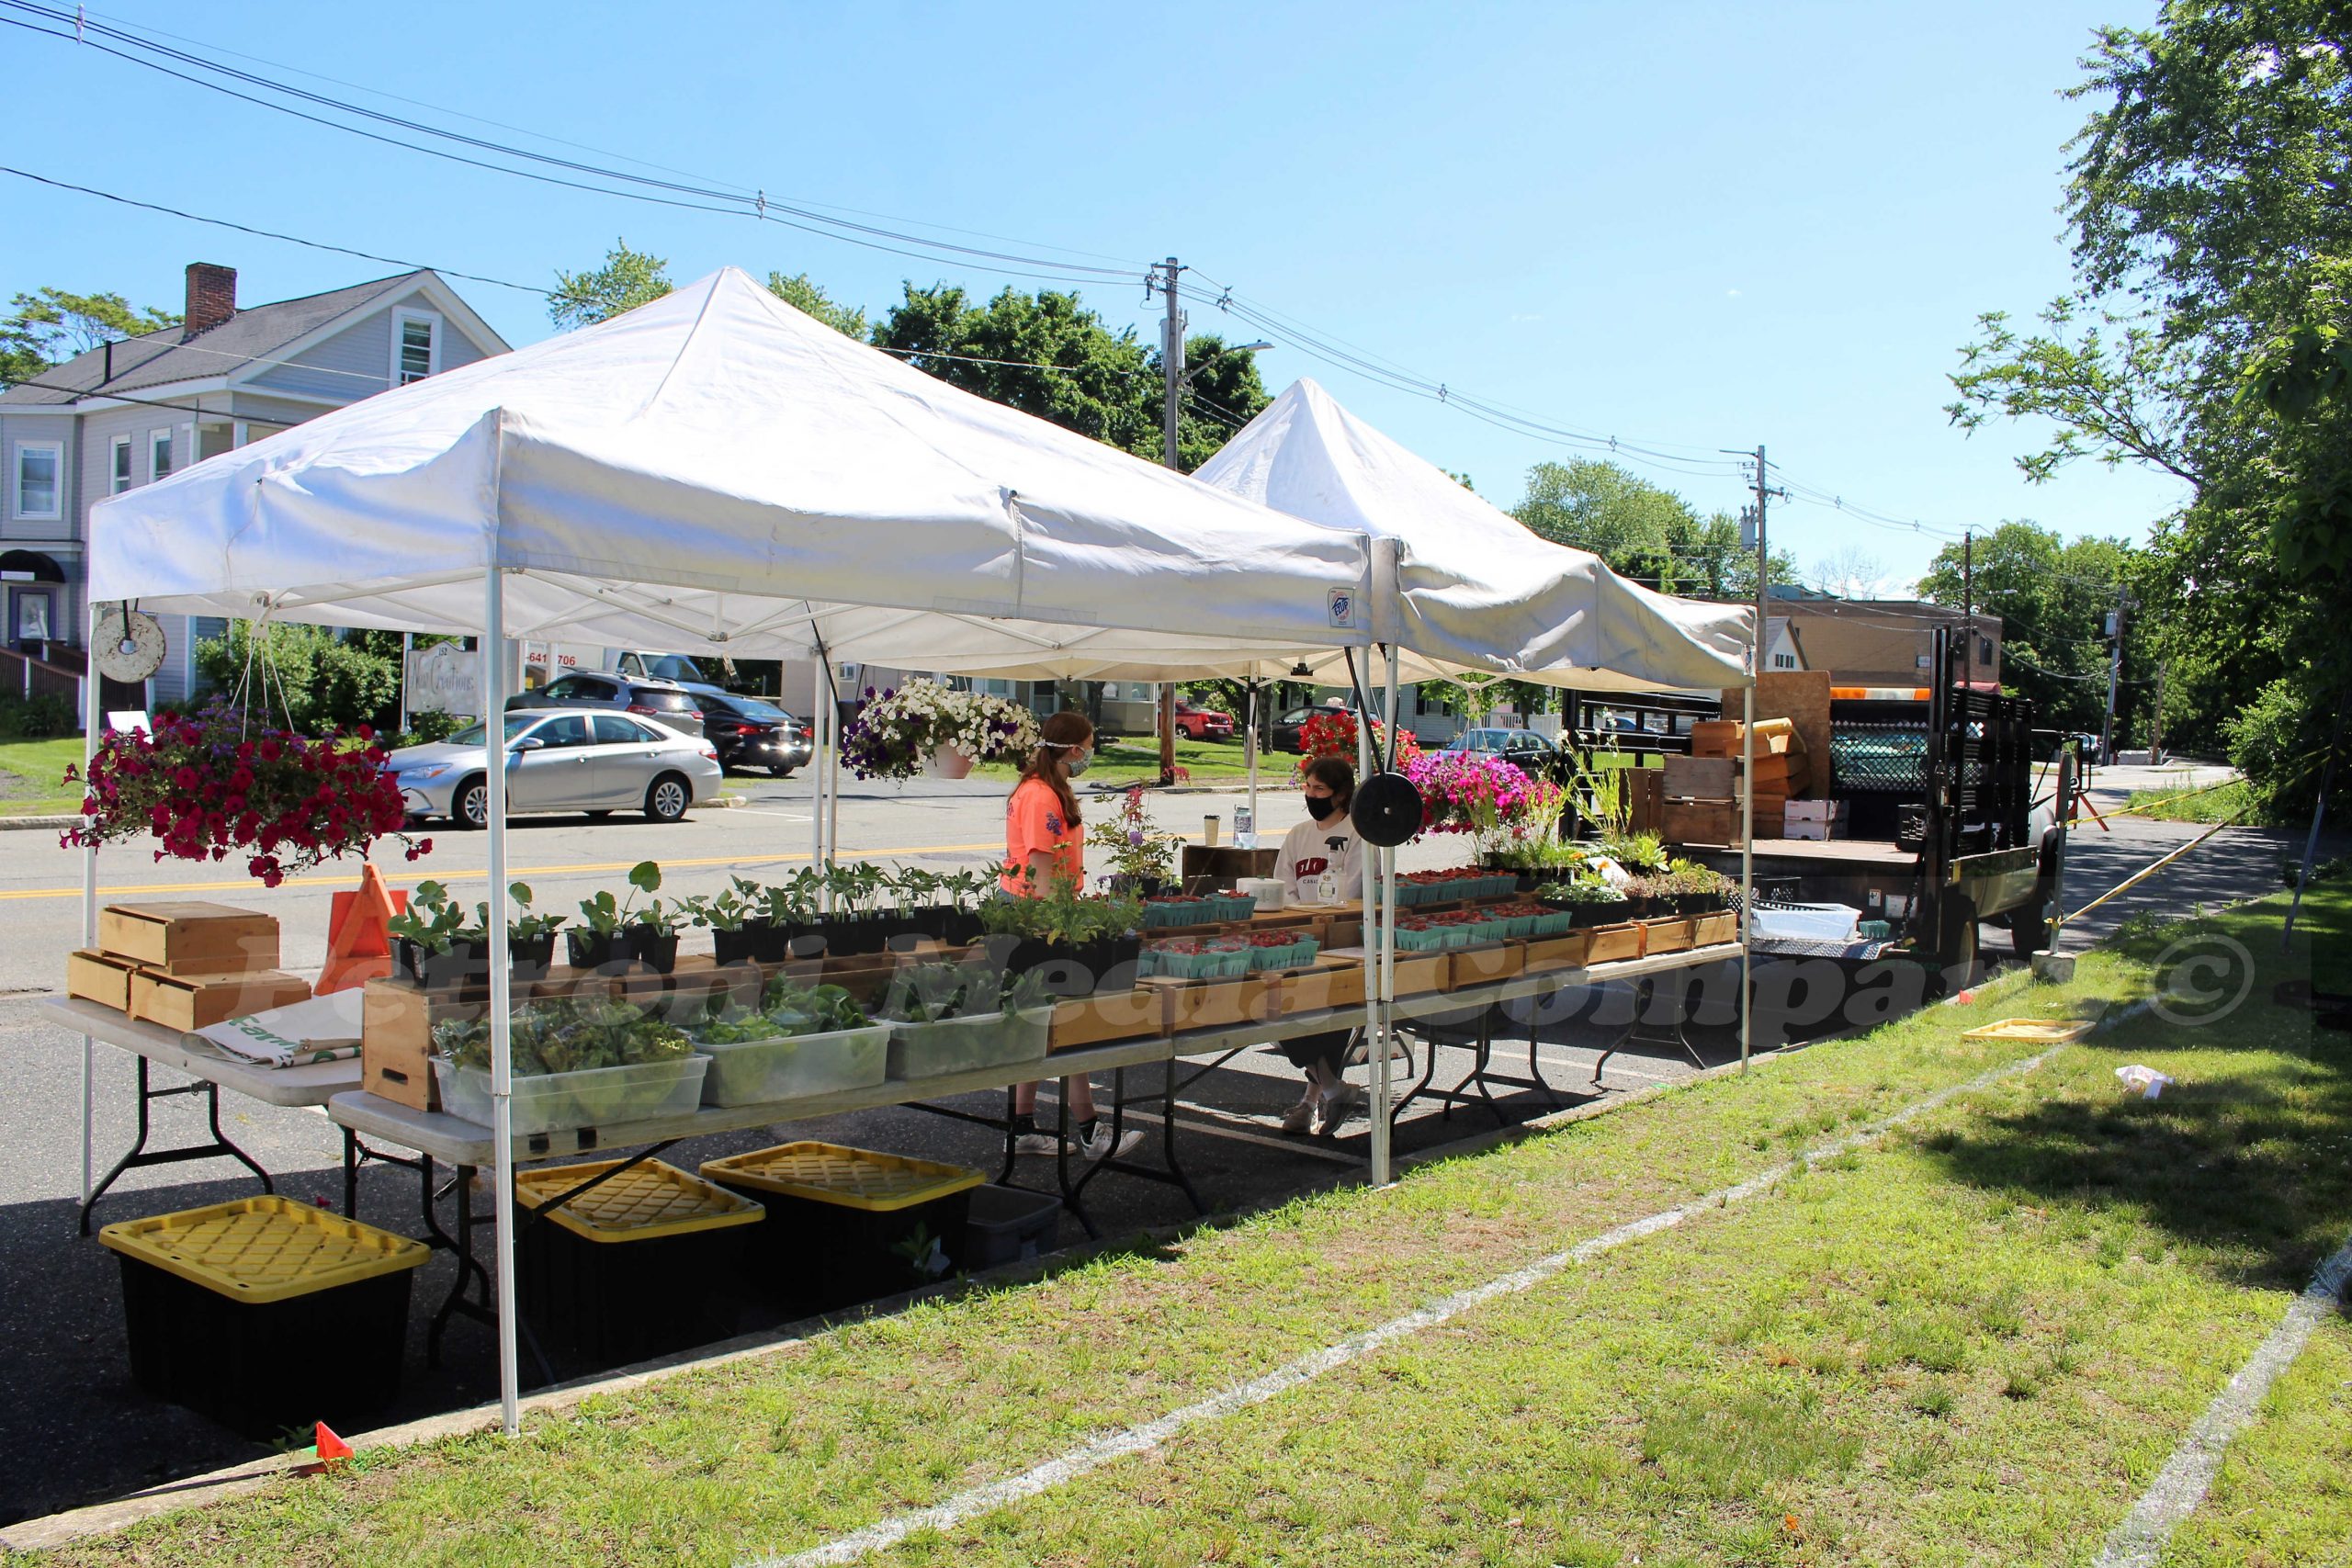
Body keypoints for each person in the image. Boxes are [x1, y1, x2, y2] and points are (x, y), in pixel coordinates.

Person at [1002, 711, 1143, 1160]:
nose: (1091, 751)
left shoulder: (1040, 787)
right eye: (1089, 743)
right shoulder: (1042, 795)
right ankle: (1090, 1131)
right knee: (1069, 1023)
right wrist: (1061, 923)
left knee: (1040, 1023)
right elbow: (1042, 870)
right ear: (1073, 749)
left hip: (1034, 909)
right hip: (1040, 914)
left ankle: (1023, 1126)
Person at [1272, 756, 1369, 1135]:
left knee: (1328, 1019)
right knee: (1278, 1007)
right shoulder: (1298, 834)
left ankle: (1312, 1101)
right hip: (1300, 935)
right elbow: (1283, 882)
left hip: (1342, 938)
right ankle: (1330, 1090)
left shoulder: (1359, 834)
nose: (1311, 795)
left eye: (1320, 790)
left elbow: (1355, 889)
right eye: (1308, 787)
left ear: (1341, 794)